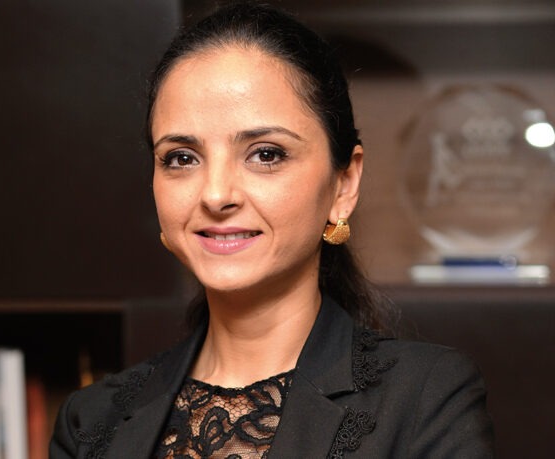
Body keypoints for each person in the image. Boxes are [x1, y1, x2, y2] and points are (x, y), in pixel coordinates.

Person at [49, 2, 494, 458]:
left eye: (266, 154)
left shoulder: (426, 398)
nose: (216, 195)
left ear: (344, 184)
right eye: (181, 158)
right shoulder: (90, 421)